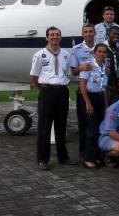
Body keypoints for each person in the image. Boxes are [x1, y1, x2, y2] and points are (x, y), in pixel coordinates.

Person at [30, 26, 77, 170]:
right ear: (47, 37)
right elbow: (34, 76)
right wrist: (44, 89)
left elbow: (70, 72)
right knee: (44, 126)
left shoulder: (66, 55)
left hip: (62, 92)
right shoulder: (39, 55)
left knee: (61, 126)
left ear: (60, 37)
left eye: (57, 35)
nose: (55, 37)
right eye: (52, 35)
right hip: (47, 91)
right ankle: (43, 159)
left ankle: (63, 157)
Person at [78, 43, 109, 169]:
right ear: (94, 53)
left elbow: (105, 89)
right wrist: (87, 103)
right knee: (92, 128)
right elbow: (82, 85)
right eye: (99, 51)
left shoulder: (104, 68)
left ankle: (96, 155)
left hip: (99, 98)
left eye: (104, 52)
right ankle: (87, 158)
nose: (101, 54)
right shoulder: (88, 67)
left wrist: (106, 105)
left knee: (99, 127)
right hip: (88, 98)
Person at [69, 23, 96, 160]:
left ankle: (95, 153)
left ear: (95, 33)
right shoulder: (76, 49)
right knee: (84, 124)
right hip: (84, 91)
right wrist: (80, 68)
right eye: (86, 31)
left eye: (91, 31)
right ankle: (83, 153)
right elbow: (74, 72)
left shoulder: (100, 48)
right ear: (82, 34)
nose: (89, 34)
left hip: (98, 89)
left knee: (97, 125)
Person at [104, 26, 119, 105]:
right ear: (108, 34)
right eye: (114, 34)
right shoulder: (102, 48)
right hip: (106, 84)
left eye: (118, 34)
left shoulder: (118, 50)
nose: (116, 36)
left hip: (116, 83)